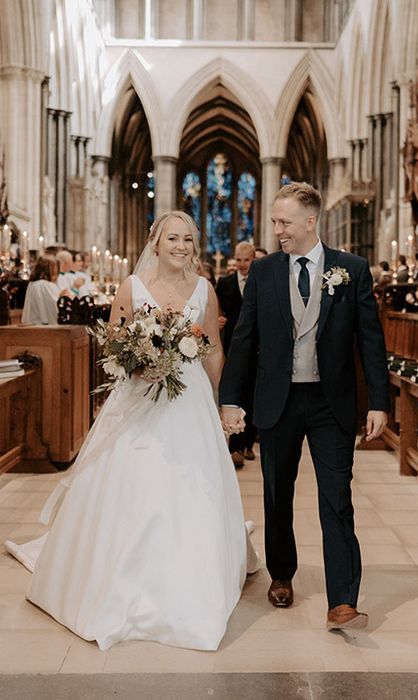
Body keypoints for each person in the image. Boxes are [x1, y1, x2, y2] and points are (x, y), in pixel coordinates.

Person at [5, 211, 258, 651]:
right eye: (173, 238)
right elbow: (114, 346)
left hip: (190, 399)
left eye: (188, 239)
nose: (181, 246)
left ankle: (189, 579)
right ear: (154, 243)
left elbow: (214, 350)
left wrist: (225, 402)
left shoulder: (204, 290)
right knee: (132, 480)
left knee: (191, 485)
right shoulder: (131, 288)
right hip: (140, 400)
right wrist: (139, 364)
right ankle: (119, 576)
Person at [219, 182, 389, 631]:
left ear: (311, 222)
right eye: (275, 221)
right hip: (278, 400)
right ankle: (281, 574)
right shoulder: (265, 271)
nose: (276, 230)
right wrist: (231, 398)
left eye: (284, 222)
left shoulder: (351, 269)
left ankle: (343, 601)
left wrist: (379, 402)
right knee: (277, 494)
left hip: (331, 402)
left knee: (337, 498)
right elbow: (244, 337)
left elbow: (370, 341)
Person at [216, 240, 257, 468]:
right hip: (232, 345)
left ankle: (246, 443)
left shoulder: (260, 280)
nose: (242, 264)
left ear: (253, 260)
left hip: (256, 348)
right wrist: (219, 320)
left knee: (251, 396)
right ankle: (235, 447)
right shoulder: (225, 283)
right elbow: (218, 310)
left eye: (247, 260)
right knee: (235, 394)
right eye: (239, 260)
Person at [21, 257, 64, 325]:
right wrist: (63, 297)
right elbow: (54, 306)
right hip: (44, 326)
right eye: (55, 269)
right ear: (48, 269)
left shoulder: (32, 284)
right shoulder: (45, 285)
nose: (57, 273)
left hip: (34, 324)